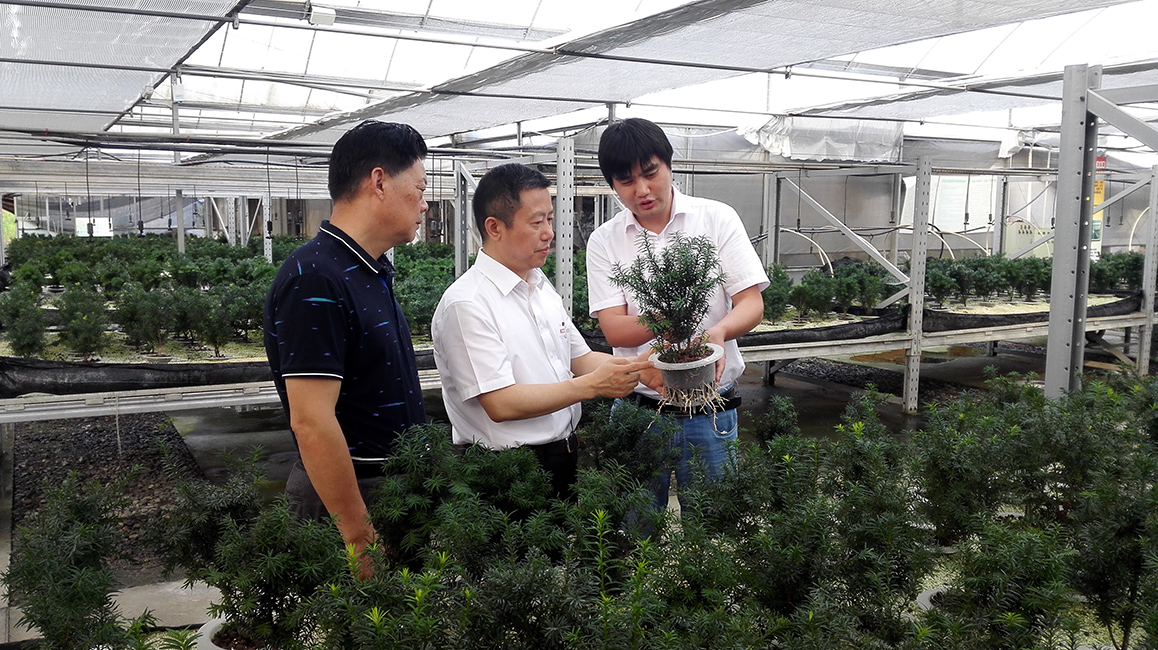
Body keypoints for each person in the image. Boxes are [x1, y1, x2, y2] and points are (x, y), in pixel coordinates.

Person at [263, 120, 429, 576]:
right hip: (352, 499)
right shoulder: (316, 277)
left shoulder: (367, 269)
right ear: (379, 182)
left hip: (390, 490)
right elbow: (312, 421)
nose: (425, 203)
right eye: (419, 188)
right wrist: (358, 535)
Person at [432, 162, 653, 499]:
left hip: (562, 456)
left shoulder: (539, 284)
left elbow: (581, 359)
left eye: (550, 219)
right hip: (505, 471)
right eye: (537, 222)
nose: (549, 232)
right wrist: (591, 387)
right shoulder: (467, 304)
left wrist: (640, 368)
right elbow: (500, 403)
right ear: (494, 227)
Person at [586, 117, 769, 509]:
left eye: (650, 173)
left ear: (669, 164)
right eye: (626, 181)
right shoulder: (605, 240)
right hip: (639, 410)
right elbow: (614, 329)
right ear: (612, 184)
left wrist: (717, 333)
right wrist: (664, 320)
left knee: (713, 523)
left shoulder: (716, 219)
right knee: (634, 527)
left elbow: (751, 303)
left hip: (710, 406)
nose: (642, 190)